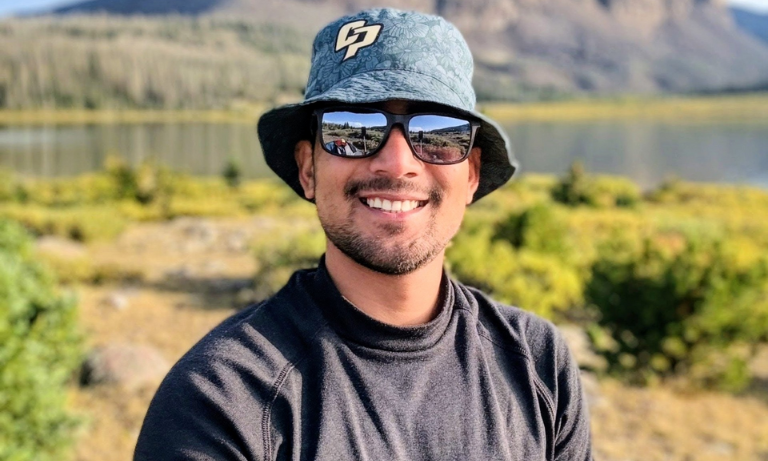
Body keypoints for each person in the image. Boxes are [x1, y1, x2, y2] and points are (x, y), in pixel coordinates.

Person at [134, 8, 593, 461]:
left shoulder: (536, 361)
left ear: (471, 174)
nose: (397, 163)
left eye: (437, 133)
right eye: (352, 131)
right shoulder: (223, 398)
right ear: (308, 168)